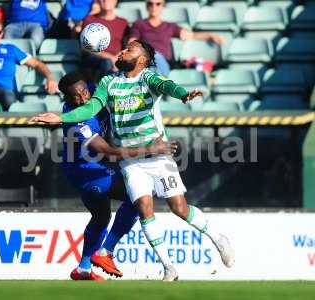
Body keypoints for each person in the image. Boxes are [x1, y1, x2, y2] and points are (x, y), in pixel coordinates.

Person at [31, 40, 235, 281]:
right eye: (125, 47)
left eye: (131, 48)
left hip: (158, 155)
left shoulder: (148, 78)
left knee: (178, 208)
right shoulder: (108, 83)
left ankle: (218, 238)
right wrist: (61, 118)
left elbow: (165, 84)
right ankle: (167, 267)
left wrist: (182, 93)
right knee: (142, 207)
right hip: (121, 162)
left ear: (143, 59)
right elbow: (92, 113)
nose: (124, 50)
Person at [51, 71, 177, 280]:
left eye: (84, 92)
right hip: (88, 172)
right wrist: (151, 148)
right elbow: (108, 151)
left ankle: (83, 268)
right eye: (76, 96)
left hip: (83, 169)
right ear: (67, 98)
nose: (83, 98)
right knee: (137, 199)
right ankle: (105, 252)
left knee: (101, 217)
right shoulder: (78, 123)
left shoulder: (93, 92)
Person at [129, 0, 224, 76]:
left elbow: (190, 35)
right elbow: (132, 42)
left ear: (163, 6)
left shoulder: (169, 26)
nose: (154, 7)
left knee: (156, 56)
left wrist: (209, 36)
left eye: (158, 4)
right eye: (150, 3)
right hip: (145, 62)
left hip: (163, 63)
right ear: (146, 6)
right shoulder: (139, 24)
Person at [81, 0, 129, 82]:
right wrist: (111, 58)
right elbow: (85, 47)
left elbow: (127, 47)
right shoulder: (89, 20)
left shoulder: (123, 23)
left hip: (117, 59)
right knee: (106, 63)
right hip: (95, 60)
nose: (106, 0)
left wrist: (117, 58)